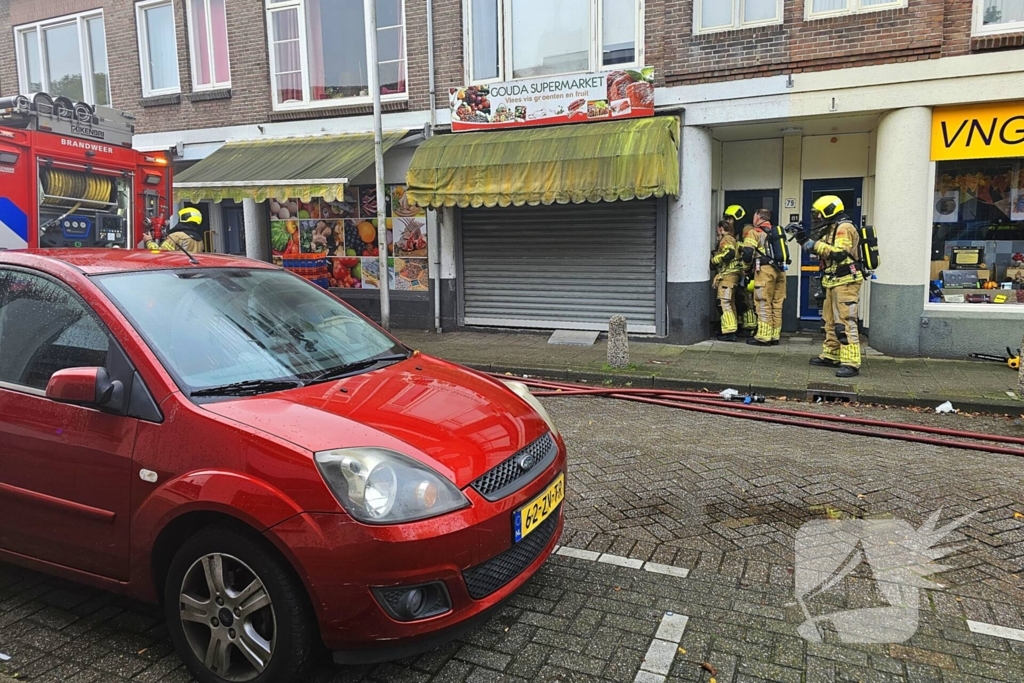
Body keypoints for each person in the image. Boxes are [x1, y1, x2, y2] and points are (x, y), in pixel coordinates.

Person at [792, 196, 863, 377]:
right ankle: (831, 355)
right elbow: (818, 247)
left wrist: (813, 244)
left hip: (846, 280)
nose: (818, 217)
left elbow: (839, 253)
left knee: (846, 322)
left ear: (829, 210)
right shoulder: (832, 227)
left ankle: (851, 362)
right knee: (829, 321)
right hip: (833, 280)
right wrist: (802, 239)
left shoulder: (844, 228)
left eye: (819, 214)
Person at [742, 208, 785, 346]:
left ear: (758, 218)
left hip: (765, 271)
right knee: (777, 304)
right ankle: (774, 335)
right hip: (781, 271)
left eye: (754, 216)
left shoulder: (754, 232)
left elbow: (748, 253)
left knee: (763, 302)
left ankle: (763, 336)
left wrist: (746, 270)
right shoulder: (776, 232)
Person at [711, 220, 742, 341]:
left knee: (724, 302)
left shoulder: (726, 239)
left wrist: (714, 260)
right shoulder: (733, 238)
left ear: (720, 229)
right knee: (730, 302)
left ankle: (729, 332)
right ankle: (732, 329)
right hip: (734, 275)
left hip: (728, 276)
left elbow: (729, 254)